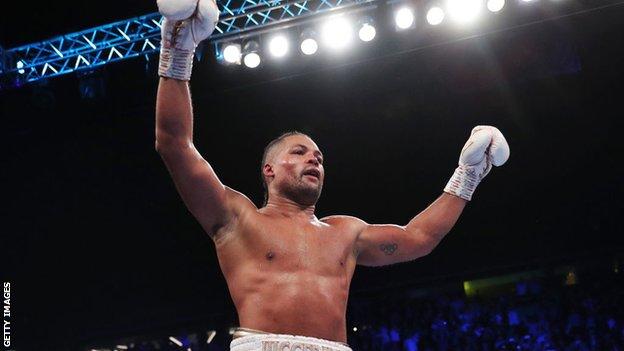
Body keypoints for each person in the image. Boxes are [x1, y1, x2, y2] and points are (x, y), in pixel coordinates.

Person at [154, 0, 510, 350]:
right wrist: (178, 52)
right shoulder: (236, 218)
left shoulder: (346, 233)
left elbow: (418, 237)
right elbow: (175, 145)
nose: (314, 160)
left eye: (319, 157)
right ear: (269, 170)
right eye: (300, 152)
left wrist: (469, 174)